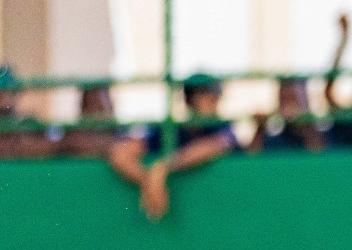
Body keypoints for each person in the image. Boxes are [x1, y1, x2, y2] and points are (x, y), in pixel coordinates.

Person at [108, 73, 238, 221]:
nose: (215, 103)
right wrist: (149, 181)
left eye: (216, 97)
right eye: (207, 97)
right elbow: (120, 154)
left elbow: (214, 146)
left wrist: (162, 169)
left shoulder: (222, 127)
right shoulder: (172, 130)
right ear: (190, 100)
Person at [251, 76, 324, 153]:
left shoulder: (317, 130)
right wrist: (260, 128)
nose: (287, 104)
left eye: (292, 98)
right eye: (283, 98)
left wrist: (303, 124)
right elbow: (252, 156)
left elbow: (318, 151)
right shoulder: (274, 137)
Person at [56, 82, 122, 160]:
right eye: (93, 103)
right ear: (84, 108)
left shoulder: (120, 130)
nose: (97, 108)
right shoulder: (71, 133)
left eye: (101, 106)